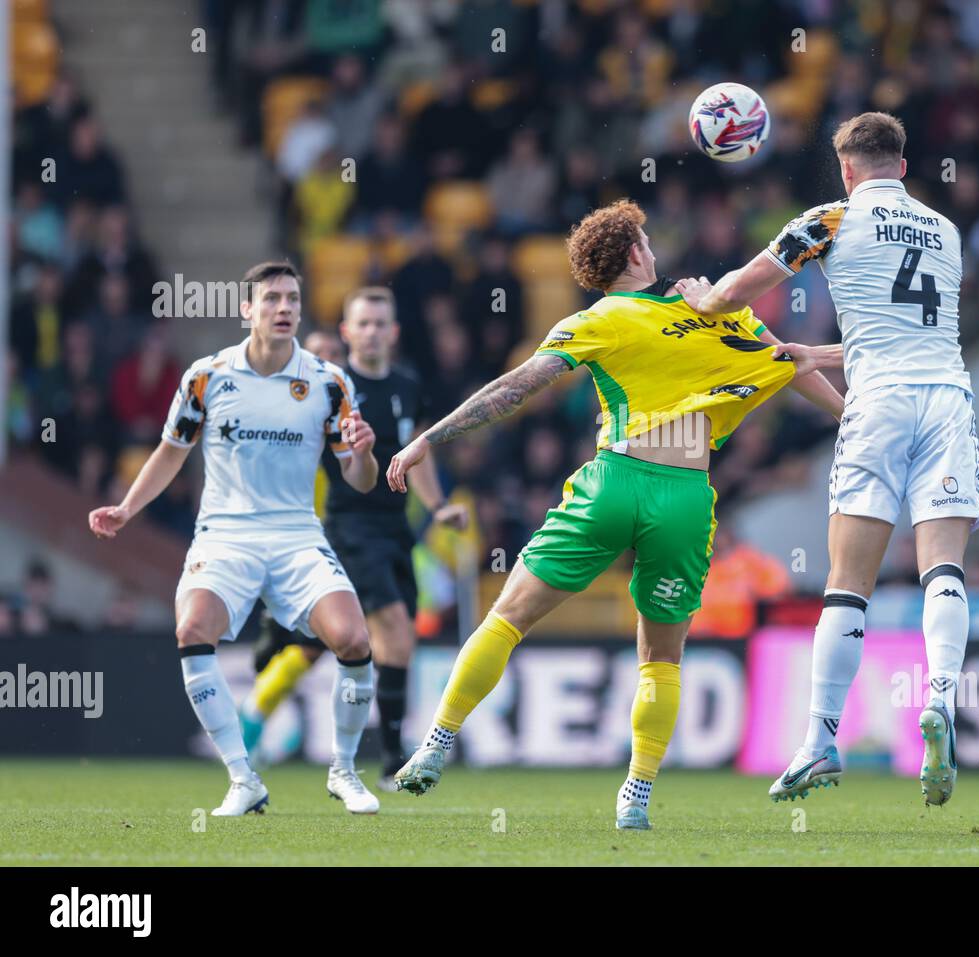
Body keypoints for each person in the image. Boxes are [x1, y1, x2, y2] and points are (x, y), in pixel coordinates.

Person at [386, 199, 843, 829]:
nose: (653, 248)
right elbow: (787, 361)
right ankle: (637, 795)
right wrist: (849, 413)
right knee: (661, 657)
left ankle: (436, 745)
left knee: (508, 618)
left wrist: (425, 441)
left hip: (615, 481)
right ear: (634, 253)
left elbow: (513, 388)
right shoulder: (705, 306)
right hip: (685, 492)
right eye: (647, 240)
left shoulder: (599, 318)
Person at [676, 111, 979, 807]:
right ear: (903, 166)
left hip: (876, 405)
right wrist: (813, 355)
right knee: (944, 567)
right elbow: (907, 333)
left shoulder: (830, 219)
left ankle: (819, 740)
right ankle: (940, 699)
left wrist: (706, 296)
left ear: (847, 170)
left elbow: (733, 294)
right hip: (946, 400)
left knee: (848, 584)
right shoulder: (945, 232)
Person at [88, 261, 383, 816]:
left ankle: (344, 771)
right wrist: (128, 507)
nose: (284, 308)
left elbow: (359, 481)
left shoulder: (328, 381)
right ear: (246, 309)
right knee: (193, 629)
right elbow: (171, 452)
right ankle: (243, 778)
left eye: (293, 299)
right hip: (225, 534)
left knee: (353, 640)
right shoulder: (207, 376)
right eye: (271, 299)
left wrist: (365, 454)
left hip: (297, 534)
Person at [240, 291, 468, 786]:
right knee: (393, 632)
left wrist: (437, 507)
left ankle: (281, 630)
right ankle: (391, 761)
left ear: (394, 331)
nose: (371, 331)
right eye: (362, 323)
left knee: (345, 644)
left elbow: (419, 455)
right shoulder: (332, 387)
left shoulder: (409, 386)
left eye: (380, 323)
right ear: (348, 332)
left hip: (395, 531)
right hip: (349, 526)